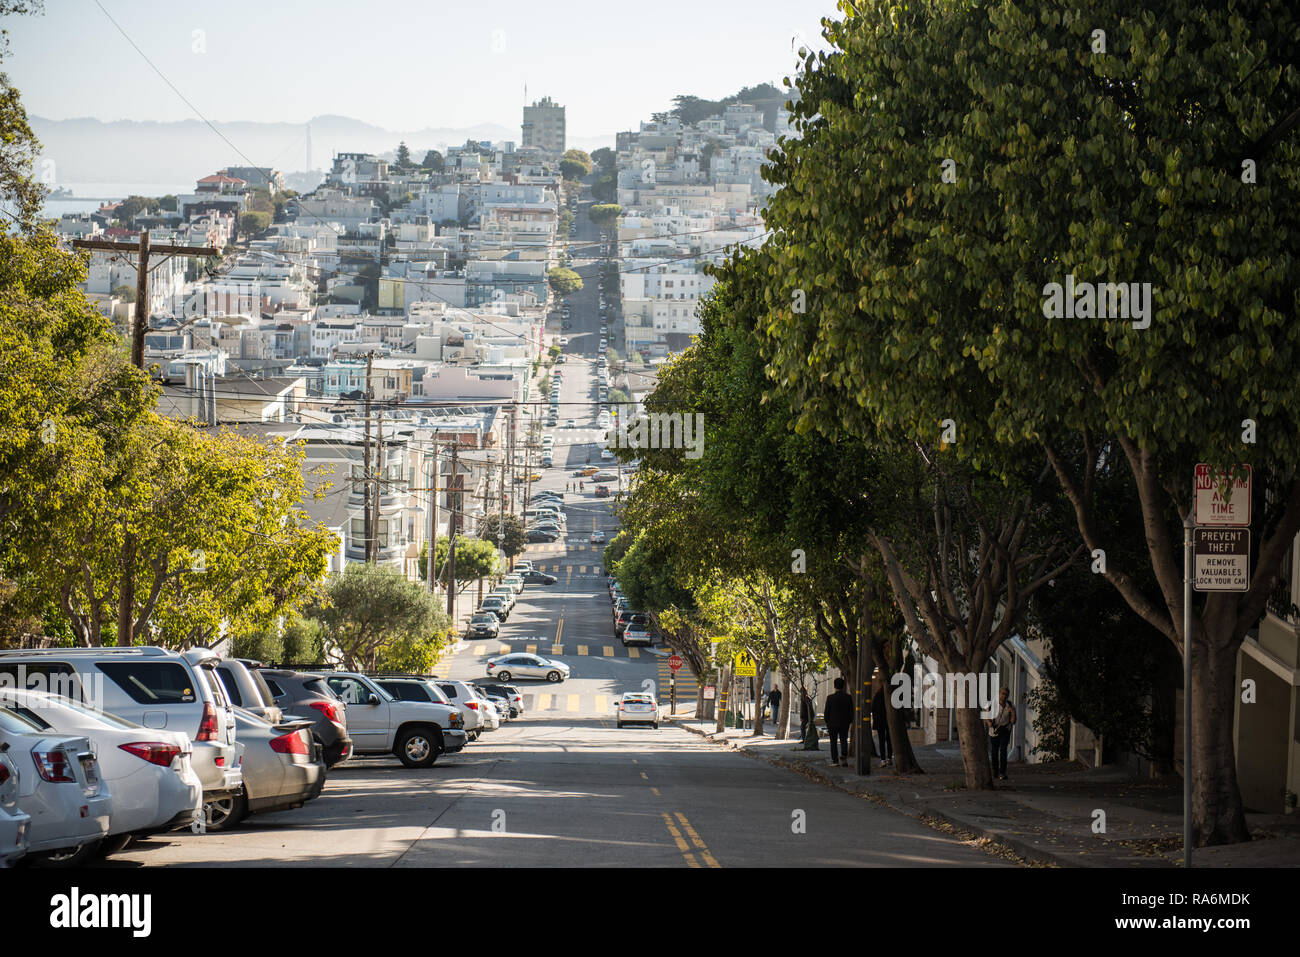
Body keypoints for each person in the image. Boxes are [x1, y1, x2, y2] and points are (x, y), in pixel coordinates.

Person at [985, 686, 1016, 780]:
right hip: (994, 731)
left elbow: (1013, 722)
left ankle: (1002, 772)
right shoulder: (992, 705)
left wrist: (1013, 712)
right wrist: (990, 724)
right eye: (1002, 694)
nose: (1004, 696)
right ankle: (995, 771)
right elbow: (987, 718)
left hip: (1005, 730)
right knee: (994, 752)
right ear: (999, 694)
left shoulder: (1010, 705)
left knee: (1003, 750)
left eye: (1006, 694)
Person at [823, 677, 854, 767]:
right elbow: (851, 711)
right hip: (844, 723)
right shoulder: (848, 697)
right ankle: (844, 758)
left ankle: (835, 760)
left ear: (834, 686)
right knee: (844, 740)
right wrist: (849, 721)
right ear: (843, 686)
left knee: (833, 742)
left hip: (832, 723)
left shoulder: (830, 698)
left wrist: (827, 721)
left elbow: (826, 712)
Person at [872, 684, 892, 766]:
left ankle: (883, 759)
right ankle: (889, 758)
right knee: (889, 740)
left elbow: (873, 708)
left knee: (881, 740)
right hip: (889, 721)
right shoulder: (891, 695)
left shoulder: (878, 695)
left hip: (880, 721)